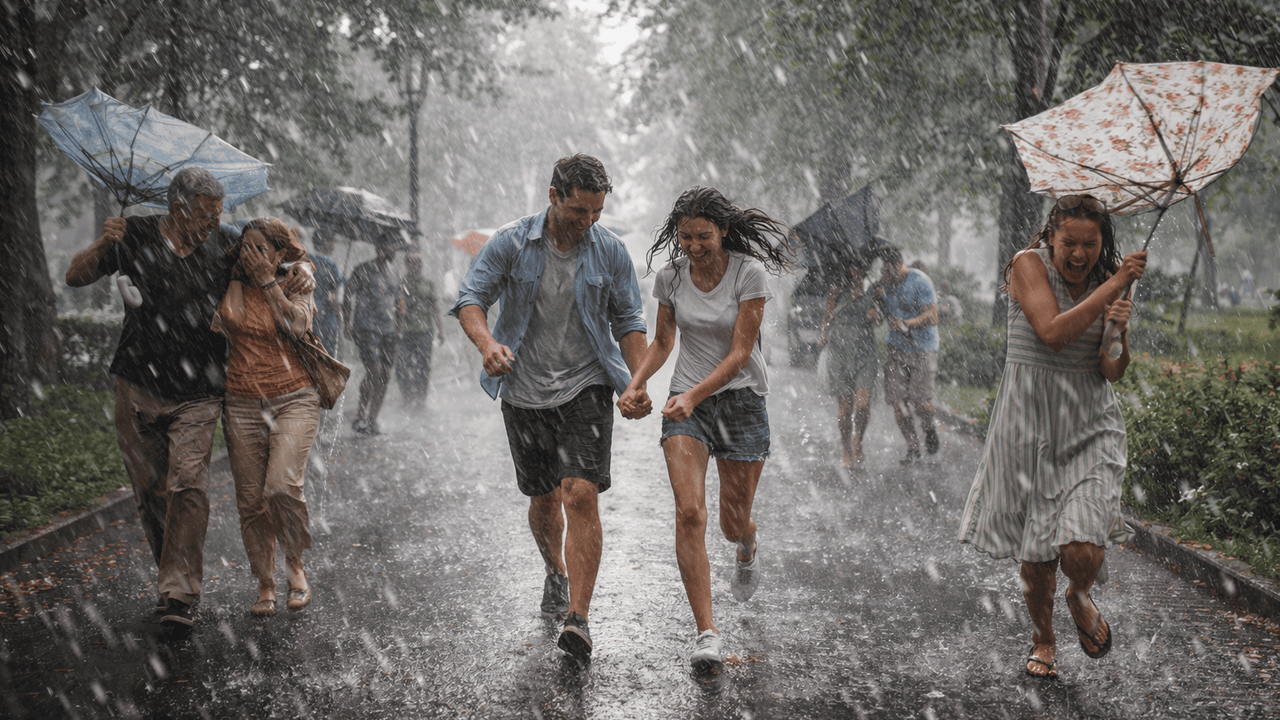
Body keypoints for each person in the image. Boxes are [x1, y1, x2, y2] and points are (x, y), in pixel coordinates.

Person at [63, 167, 310, 628]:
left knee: (188, 485)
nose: (213, 223)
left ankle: (179, 595)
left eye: (218, 214)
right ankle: (170, 572)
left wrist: (303, 271)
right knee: (151, 492)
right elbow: (74, 277)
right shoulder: (133, 233)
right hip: (137, 384)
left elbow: (279, 253)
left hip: (199, 389)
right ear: (177, 209)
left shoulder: (225, 244)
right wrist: (103, 243)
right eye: (204, 214)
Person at [451, 154, 649, 662]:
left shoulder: (609, 252)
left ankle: (578, 618)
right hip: (522, 388)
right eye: (578, 211)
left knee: (579, 493)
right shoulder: (513, 241)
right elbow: (471, 297)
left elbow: (628, 319)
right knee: (542, 498)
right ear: (553, 195)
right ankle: (555, 572)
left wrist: (637, 381)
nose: (588, 223)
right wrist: (487, 344)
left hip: (586, 385)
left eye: (596, 213)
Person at [958, 194, 1146, 680]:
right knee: (1037, 555)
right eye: (1070, 243)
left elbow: (1112, 369)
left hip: (1089, 426)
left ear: (1102, 241)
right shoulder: (1027, 266)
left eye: (1090, 243)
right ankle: (1044, 640)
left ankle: (1079, 593)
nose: (1080, 254)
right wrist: (1116, 286)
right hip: (1028, 425)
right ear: (1051, 237)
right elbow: (1052, 332)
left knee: (1082, 548)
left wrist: (1119, 335)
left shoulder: (1111, 286)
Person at [617, 186, 790, 671]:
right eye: (685, 237)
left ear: (724, 232)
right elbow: (663, 340)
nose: (693, 247)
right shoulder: (671, 277)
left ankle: (747, 542)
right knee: (689, 513)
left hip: (739, 404)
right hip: (687, 408)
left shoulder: (747, 273)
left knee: (732, 523)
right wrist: (635, 383)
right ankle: (706, 633)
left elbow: (740, 354)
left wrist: (694, 395)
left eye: (703, 237)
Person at [211, 218, 319, 616]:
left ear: (279, 253)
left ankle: (295, 564)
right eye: (246, 247)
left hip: (295, 398)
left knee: (280, 487)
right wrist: (242, 275)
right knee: (251, 502)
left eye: (261, 248)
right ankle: (265, 583)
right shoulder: (234, 281)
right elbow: (233, 320)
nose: (252, 254)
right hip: (241, 402)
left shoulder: (297, 280)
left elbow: (297, 325)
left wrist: (274, 281)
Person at [875, 243, 940, 464]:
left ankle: (929, 428)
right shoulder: (885, 285)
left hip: (923, 349)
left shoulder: (920, 281)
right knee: (898, 401)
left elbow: (932, 316)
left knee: (920, 401)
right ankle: (913, 447)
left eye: (887, 270)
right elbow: (881, 316)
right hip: (896, 349)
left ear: (898, 265)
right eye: (882, 270)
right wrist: (876, 301)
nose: (884, 275)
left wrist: (908, 324)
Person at [819, 254, 880, 468]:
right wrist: (824, 333)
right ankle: (846, 449)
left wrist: (875, 314)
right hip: (840, 351)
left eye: (862, 269)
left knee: (863, 404)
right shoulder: (837, 290)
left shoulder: (874, 290)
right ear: (849, 270)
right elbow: (827, 317)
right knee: (845, 409)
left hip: (865, 351)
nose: (858, 274)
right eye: (855, 269)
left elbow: (880, 318)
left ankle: (858, 441)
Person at [344, 241, 405, 435]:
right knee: (375, 370)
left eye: (395, 249)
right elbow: (347, 293)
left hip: (389, 331)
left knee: (386, 374)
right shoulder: (363, 269)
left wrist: (399, 327)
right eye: (390, 248)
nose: (394, 252)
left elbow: (400, 301)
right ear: (380, 249)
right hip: (367, 328)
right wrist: (347, 322)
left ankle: (372, 419)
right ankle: (361, 415)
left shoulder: (395, 272)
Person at [397, 252, 441, 410]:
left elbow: (435, 307)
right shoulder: (402, 283)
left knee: (423, 365)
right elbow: (399, 305)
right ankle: (407, 396)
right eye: (410, 264)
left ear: (421, 266)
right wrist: (399, 327)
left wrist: (441, 330)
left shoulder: (428, 284)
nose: (413, 267)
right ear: (407, 265)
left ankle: (421, 397)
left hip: (425, 330)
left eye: (416, 264)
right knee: (403, 365)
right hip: (406, 331)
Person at [310, 227, 345, 358]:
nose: (334, 245)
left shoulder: (304, 260)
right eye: (333, 242)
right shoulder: (331, 267)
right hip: (325, 322)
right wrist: (339, 317)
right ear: (326, 243)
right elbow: (335, 300)